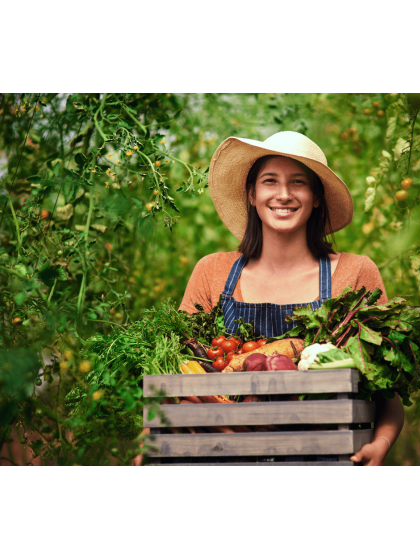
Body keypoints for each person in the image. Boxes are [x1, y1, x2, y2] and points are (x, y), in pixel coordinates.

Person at [134, 131, 404, 467]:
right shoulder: (212, 273)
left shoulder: (355, 274)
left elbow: (387, 393)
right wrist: (151, 437)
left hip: (324, 456)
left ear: (316, 196)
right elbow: (176, 379)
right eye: (270, 181)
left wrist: (380, 444)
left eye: (298, 182)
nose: (284, 194)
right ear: (252, 193)